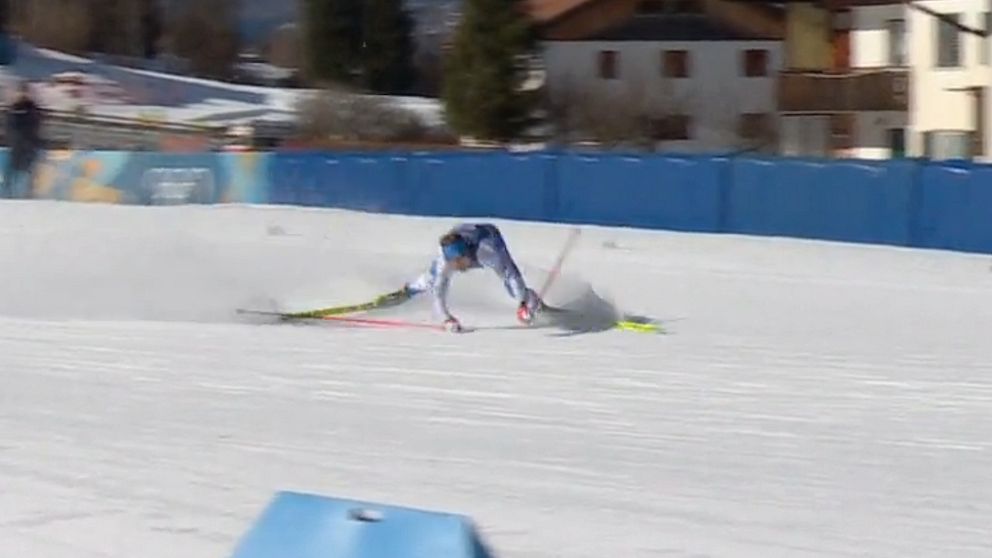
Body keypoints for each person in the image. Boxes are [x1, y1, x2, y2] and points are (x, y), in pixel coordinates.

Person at [404, 223, 544, 332]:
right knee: (433, 279)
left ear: (465, 254)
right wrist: (447, 319)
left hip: (489, 235)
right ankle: (410, 290)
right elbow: (439, 293)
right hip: (461, 234)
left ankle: (533, 302)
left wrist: (522, 303)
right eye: (452, 262)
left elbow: (512, 274)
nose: (456, 267)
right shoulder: (445, 261)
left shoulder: (489, 252)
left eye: (458, 261)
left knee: (513, 288)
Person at [3, 81, 43, 199]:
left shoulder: (32, 109)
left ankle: (28, 194)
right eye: (20, 92)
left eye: (25, 92)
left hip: (29, 146)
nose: (22, 95)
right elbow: (8, 126)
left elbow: (35, 126)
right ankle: (8, 193)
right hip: (14, 146)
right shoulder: (12, 109)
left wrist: (29, 141)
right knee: (10, 172)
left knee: (29, 172)